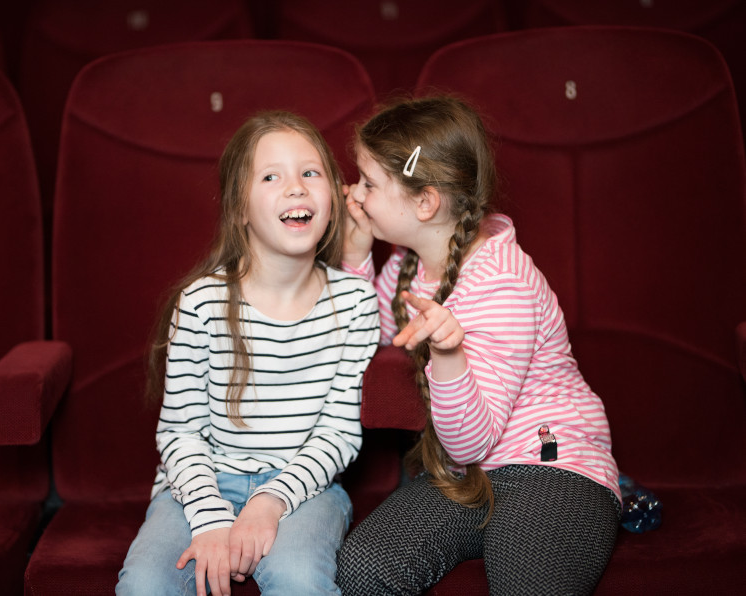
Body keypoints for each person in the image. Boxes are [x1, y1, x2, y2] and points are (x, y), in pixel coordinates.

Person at [336, 96, 621, 595]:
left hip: (550, 468)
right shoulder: (409, 261)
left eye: (369, 183)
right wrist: (357, 256)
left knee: (528, 584)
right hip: (462, 475)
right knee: (361, 568)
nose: (353, 195)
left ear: (425, 202)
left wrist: (448, 358)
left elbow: (474, 439)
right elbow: (365, 342)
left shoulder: (504, 281)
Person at [116, 111, 380, 596]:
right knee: (145, 585)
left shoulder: (357, 303)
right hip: (200, 483)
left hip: (304, 489)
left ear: (333, 199)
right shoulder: (200, 303)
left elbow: (339, 432)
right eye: (271, 176)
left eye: (310, 172)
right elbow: (180, 432)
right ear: (239, 208)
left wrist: (270, 502)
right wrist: (209, 518)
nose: (296, 188)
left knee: (301, 580)